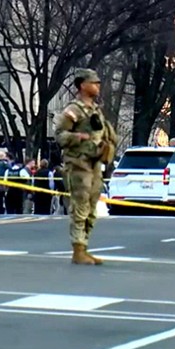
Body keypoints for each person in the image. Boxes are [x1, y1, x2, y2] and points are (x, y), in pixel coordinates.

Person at [53, 68, 118, 265]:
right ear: (82, 85)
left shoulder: (96, 110)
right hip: (78, 164)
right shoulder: (73, 110)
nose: (98, 86)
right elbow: (59, 135)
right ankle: (78, 249)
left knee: (91, 207)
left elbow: (105, 133)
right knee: (80, 205)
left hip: (95, 163)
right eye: (94, 82)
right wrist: (77, 137)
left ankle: (85, 246)